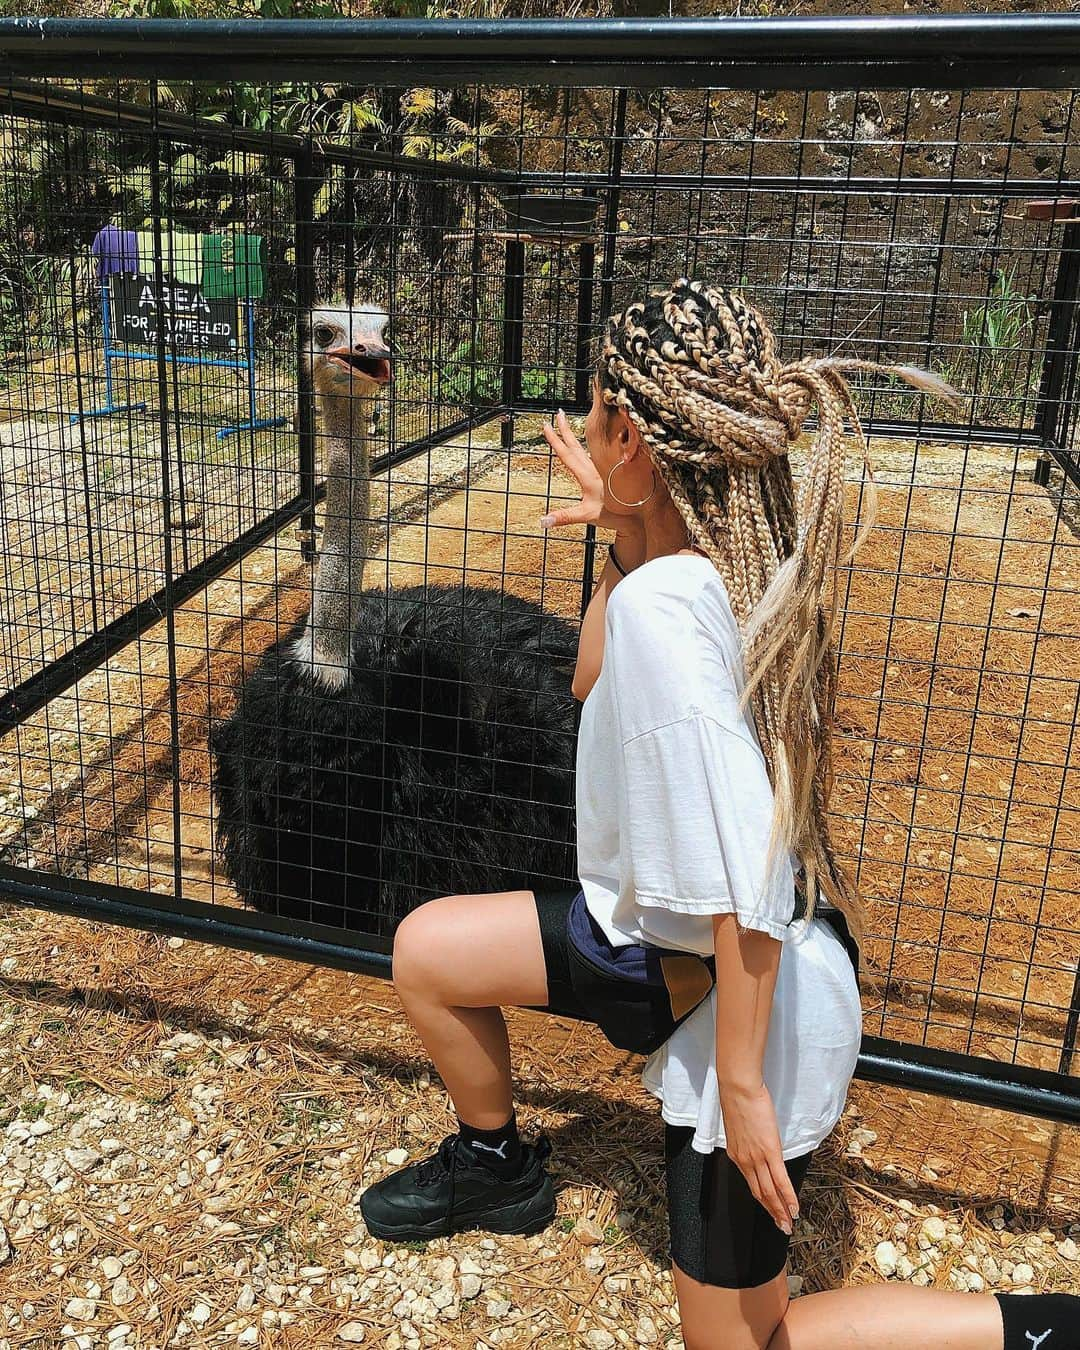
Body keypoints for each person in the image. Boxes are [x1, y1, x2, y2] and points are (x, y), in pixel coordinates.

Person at [360, 279, 1079, 1350]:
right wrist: (620, 530)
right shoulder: (716, 559)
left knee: (746, 1347)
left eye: (599, 413)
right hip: (657, 942)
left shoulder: (670, 609)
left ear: (638, 443)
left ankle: (1042, 1329)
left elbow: (746, 872)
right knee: (429, 950)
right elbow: (586, 680)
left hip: (749, 997)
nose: (586, 429)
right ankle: (498, 1166)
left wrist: (738, 1086)